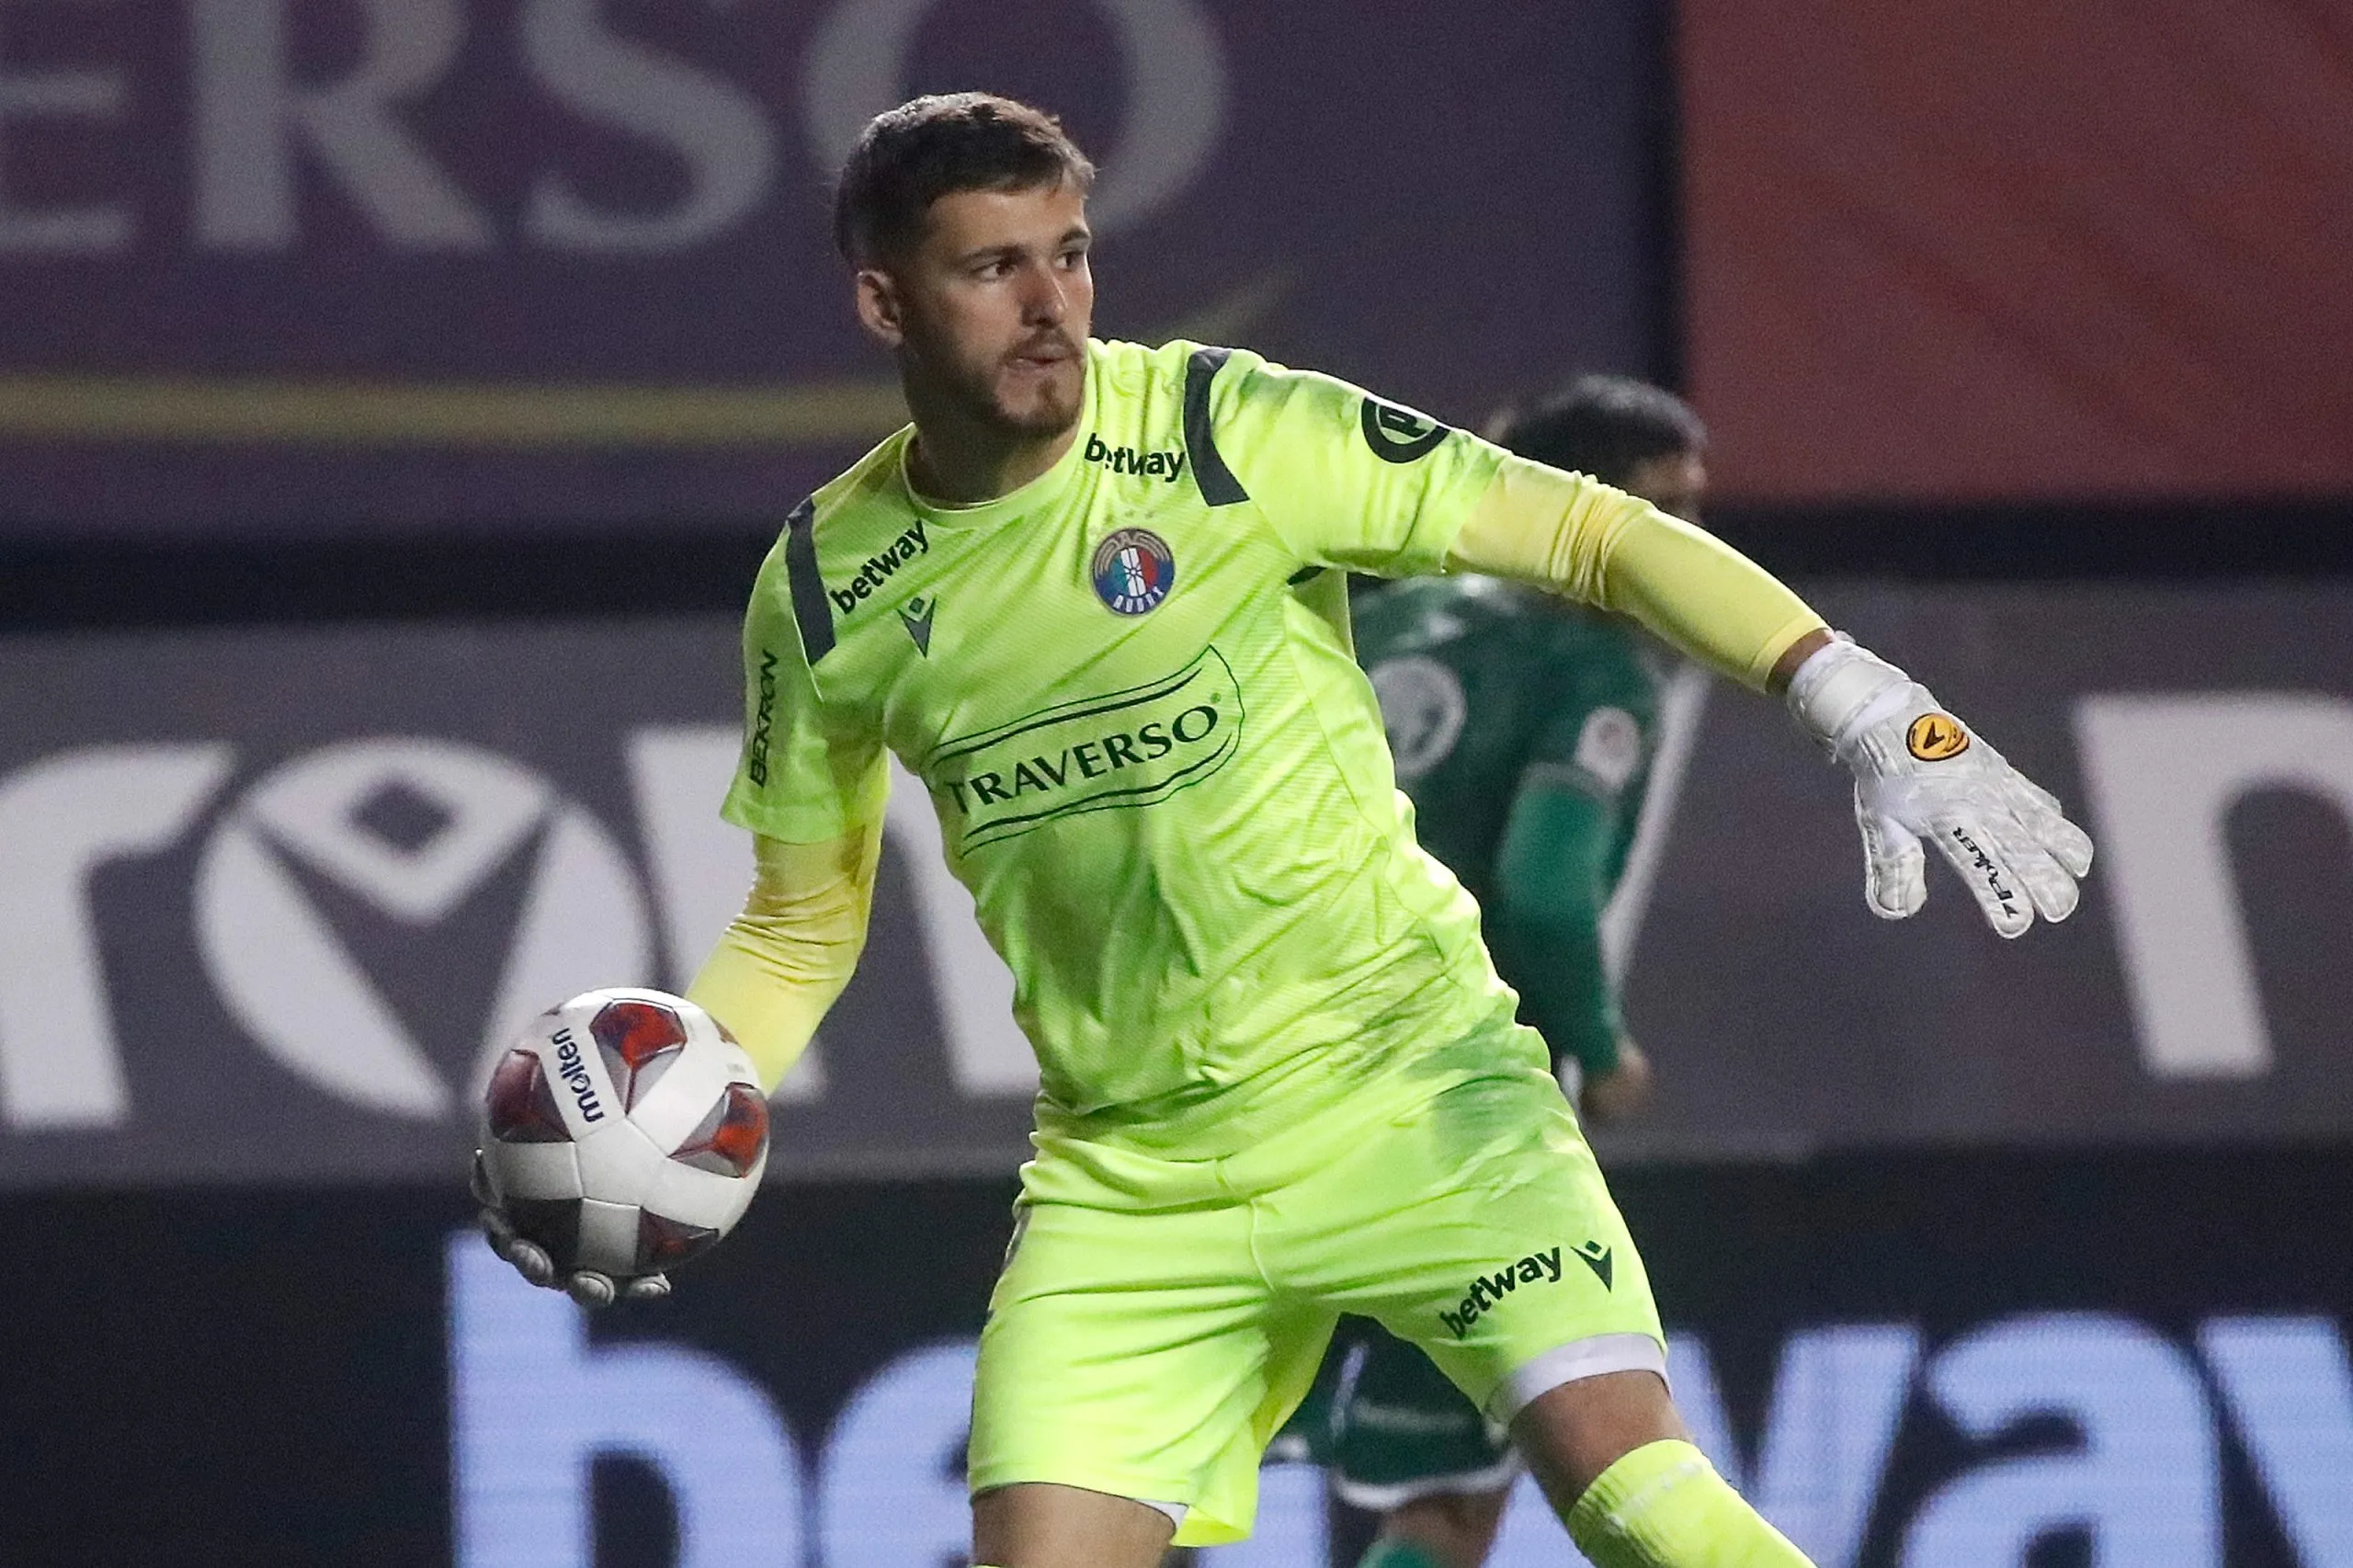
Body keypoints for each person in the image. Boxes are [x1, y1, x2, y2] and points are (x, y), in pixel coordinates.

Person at [477, 94, 2091, 1568]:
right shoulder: (824, 589)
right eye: (993, 269)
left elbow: (1587, 529)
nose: (1052, 307)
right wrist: (690, 1105)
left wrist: (1872, 704)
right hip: (1136, 1171)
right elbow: (796, 921)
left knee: (1635, 1492)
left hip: (1417, 1087)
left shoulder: (1222, 432)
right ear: (887, 302)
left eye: (1072, 255)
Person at [1275, 377, 1714, 1568]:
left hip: (1267, 1069)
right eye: (1662, 515)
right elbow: (1545, 886)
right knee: (1459, 1497)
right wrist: (1603, 1040)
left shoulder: (1388, 615)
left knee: (1153, 1475)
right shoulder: (1596, 672)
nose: (1690, 550)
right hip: (1454, 1099)